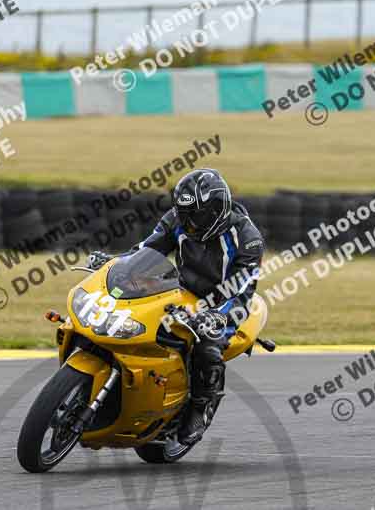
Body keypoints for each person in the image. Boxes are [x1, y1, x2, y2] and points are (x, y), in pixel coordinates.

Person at [88, 168, 265, 445]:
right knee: (132, 317)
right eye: (185, 214)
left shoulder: (248, 238)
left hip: (223, 301)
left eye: (196, 215)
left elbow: (242, 289)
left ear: (216, 210)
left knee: (207, 344)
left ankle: (200, 405)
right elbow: (147, 250)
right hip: (181, 289)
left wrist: (218, 316)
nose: (189, 223)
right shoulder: (178, 220)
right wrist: (114, 263)